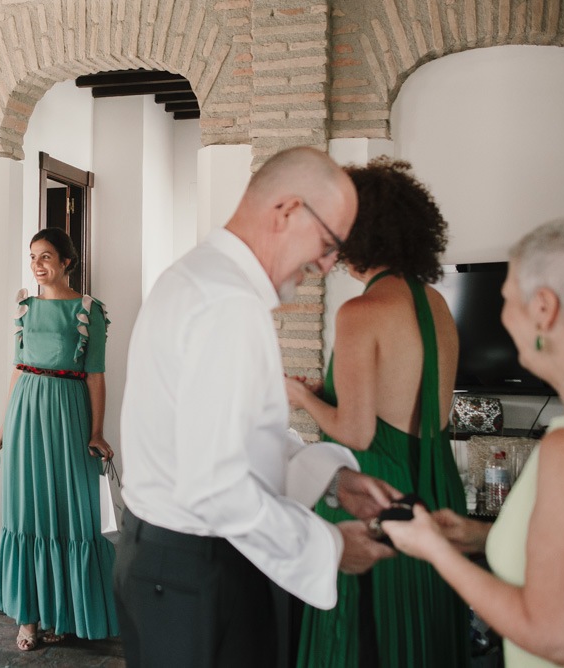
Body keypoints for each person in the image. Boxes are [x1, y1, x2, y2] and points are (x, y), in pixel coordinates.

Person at [115, 145, 399, 668]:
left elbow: (234, 438)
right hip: (197, 569)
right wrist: (329, 549)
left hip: (167, 563)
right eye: (330, 242)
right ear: (288, 210)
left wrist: (334, 482)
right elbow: (217, 484)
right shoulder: (228, 304)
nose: (328, 263)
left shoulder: (198, 277)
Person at [383, 216, 564, 668]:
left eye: (505, 300)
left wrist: (433, 550)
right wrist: (484, 536)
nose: (503, 317)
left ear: (544, 309)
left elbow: (560, 638)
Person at [286, 157, 470, 667]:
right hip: (435, 484)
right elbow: (409, 390)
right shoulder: (435, 301)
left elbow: (358, 433)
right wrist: (331, 386)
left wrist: (302, 397)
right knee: (424, 633)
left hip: (376, 492)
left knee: (366, 642)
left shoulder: (359, 312)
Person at [0, 227, 118, 651]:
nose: (37, 265)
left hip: (70, 412)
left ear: (67, 261)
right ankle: (28, 619)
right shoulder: (25, 308)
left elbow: (96, 375)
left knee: (71, 513)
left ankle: (65, 613)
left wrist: (97, 431)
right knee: (28, 511)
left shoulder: (88, 310)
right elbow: (18, 367)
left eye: (45, 257)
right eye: (32, 257)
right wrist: (5, 424)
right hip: (27, 410)